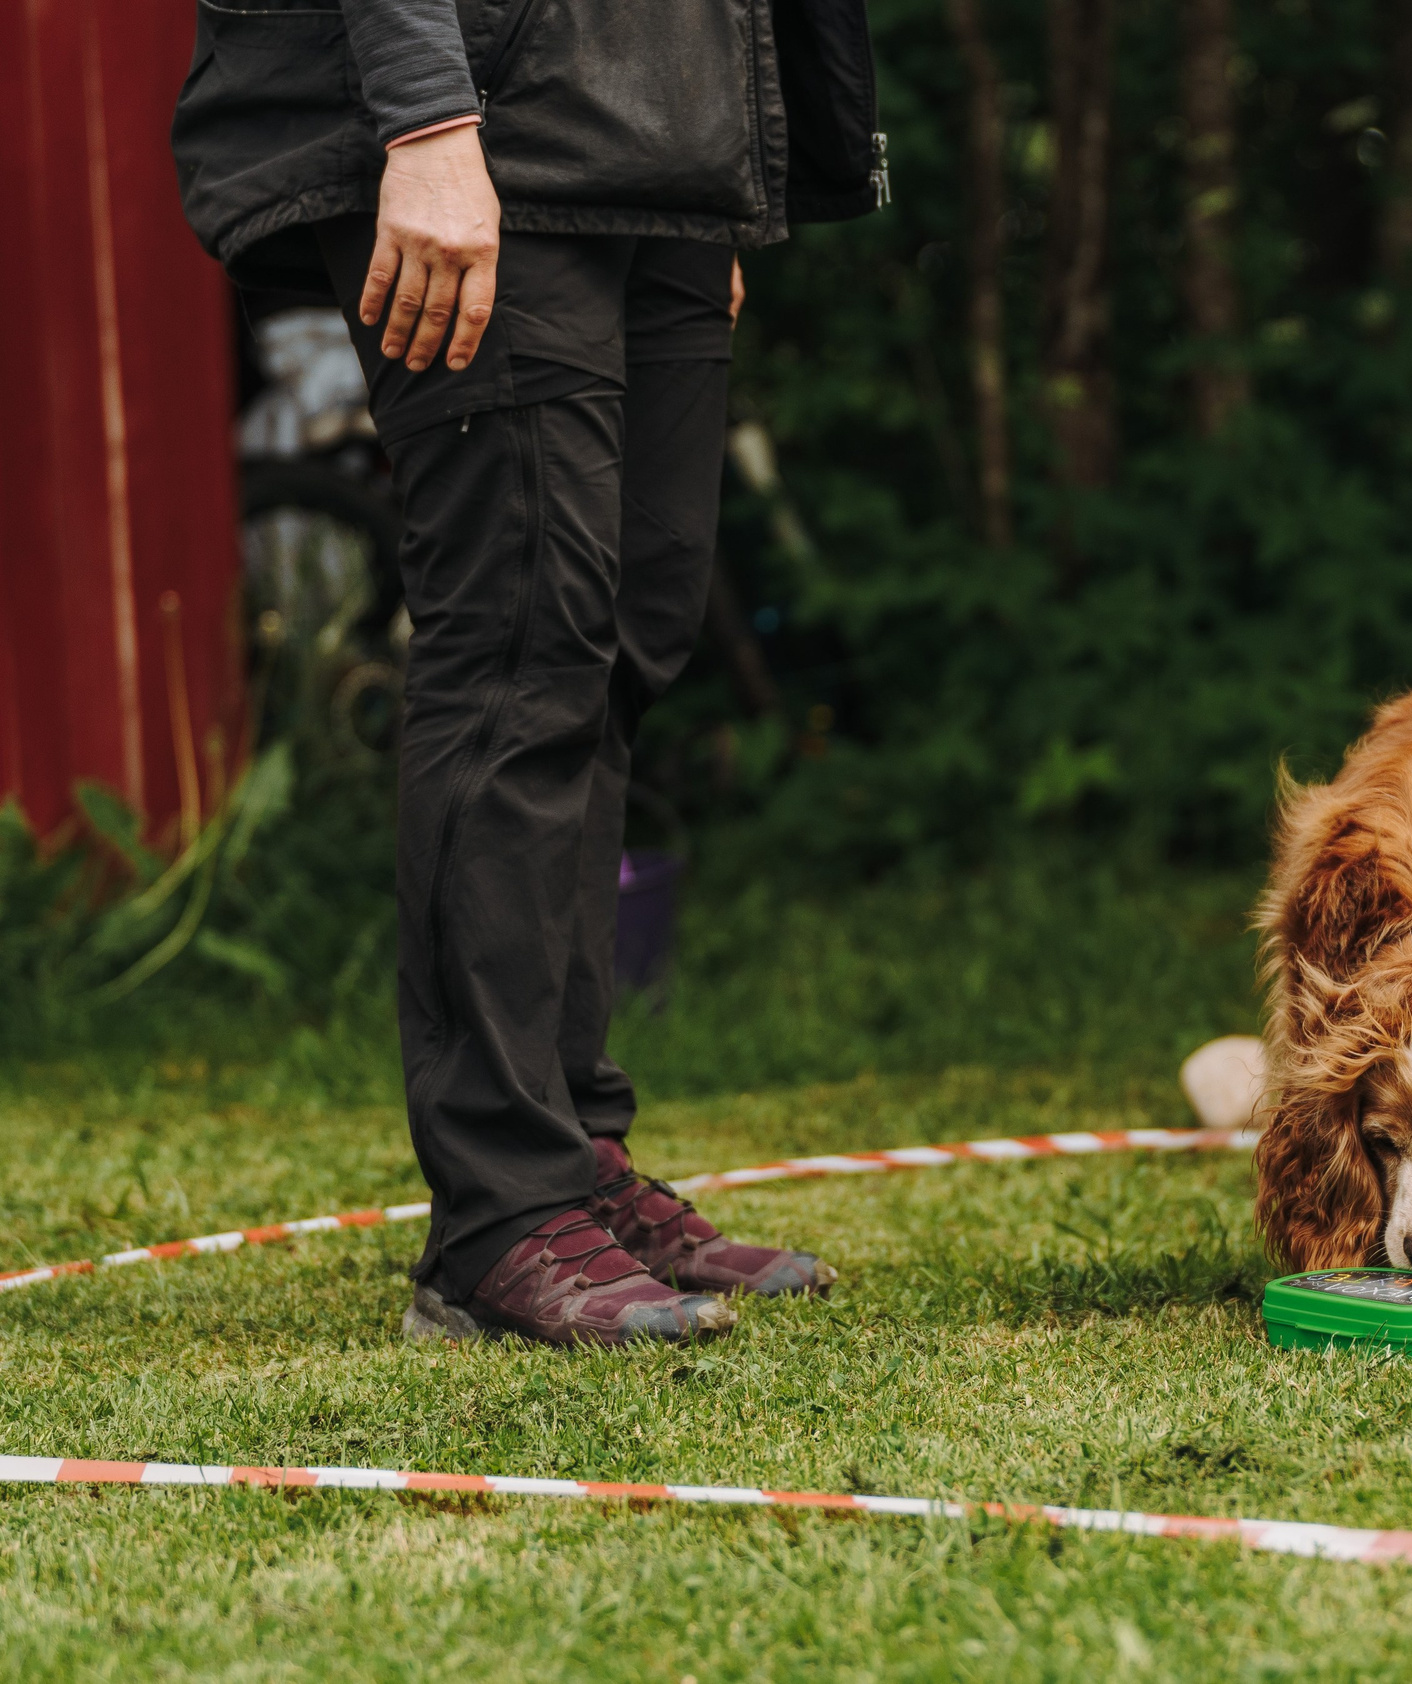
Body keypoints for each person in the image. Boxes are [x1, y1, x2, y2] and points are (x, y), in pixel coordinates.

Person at [171, 0, 888, 1348]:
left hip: (655, 145)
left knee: (622, 632)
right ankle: (498, 1212)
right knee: (519, 640)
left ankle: (571, 1154)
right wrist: (429, 125)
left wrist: (728, 155)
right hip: (481, 126)